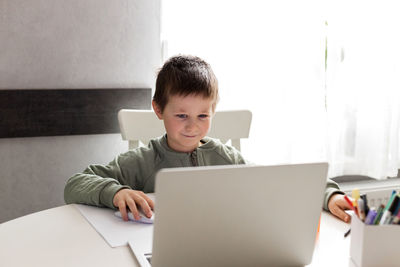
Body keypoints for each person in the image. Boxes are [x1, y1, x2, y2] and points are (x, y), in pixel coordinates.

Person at [64, 54, 352, 223]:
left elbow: (276, 181)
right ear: (158, 109)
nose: (192, 126)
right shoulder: (141, 161)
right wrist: (115, 193)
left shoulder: (226, 158)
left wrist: (329, 194)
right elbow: (75, 183)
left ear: (214, 111)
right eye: (181, 116)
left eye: (203, 116)